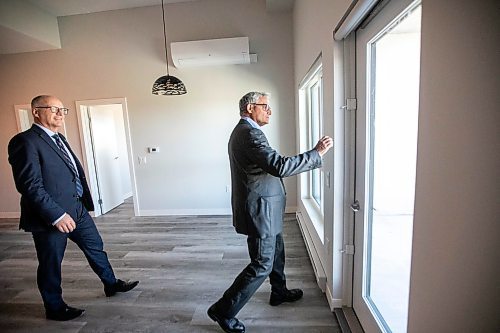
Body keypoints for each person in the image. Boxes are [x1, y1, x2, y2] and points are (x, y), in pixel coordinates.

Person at [207, 92, 333, 333]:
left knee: (276, 252)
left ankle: (279, 291)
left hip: (266, 209)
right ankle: (222, 311)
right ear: (251, 107)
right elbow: (279, 166)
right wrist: (316, 153)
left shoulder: (246, 131)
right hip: (260, 211)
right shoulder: (249, 133)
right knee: (261, 263)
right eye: (266, 106)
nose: (270, 111)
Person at [8, 95, 139, 321]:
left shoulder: (59, 138)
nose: (60, 114)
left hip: (76, 208)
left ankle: (111, 284)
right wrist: (57, 215)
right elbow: (29, 185)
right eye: (53, 109)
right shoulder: (25, 141)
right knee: (51, 263)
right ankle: (54, 307)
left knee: (95, 246)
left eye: (62, 110)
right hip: (50, 216)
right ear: (36, 111)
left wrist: (80, 203)